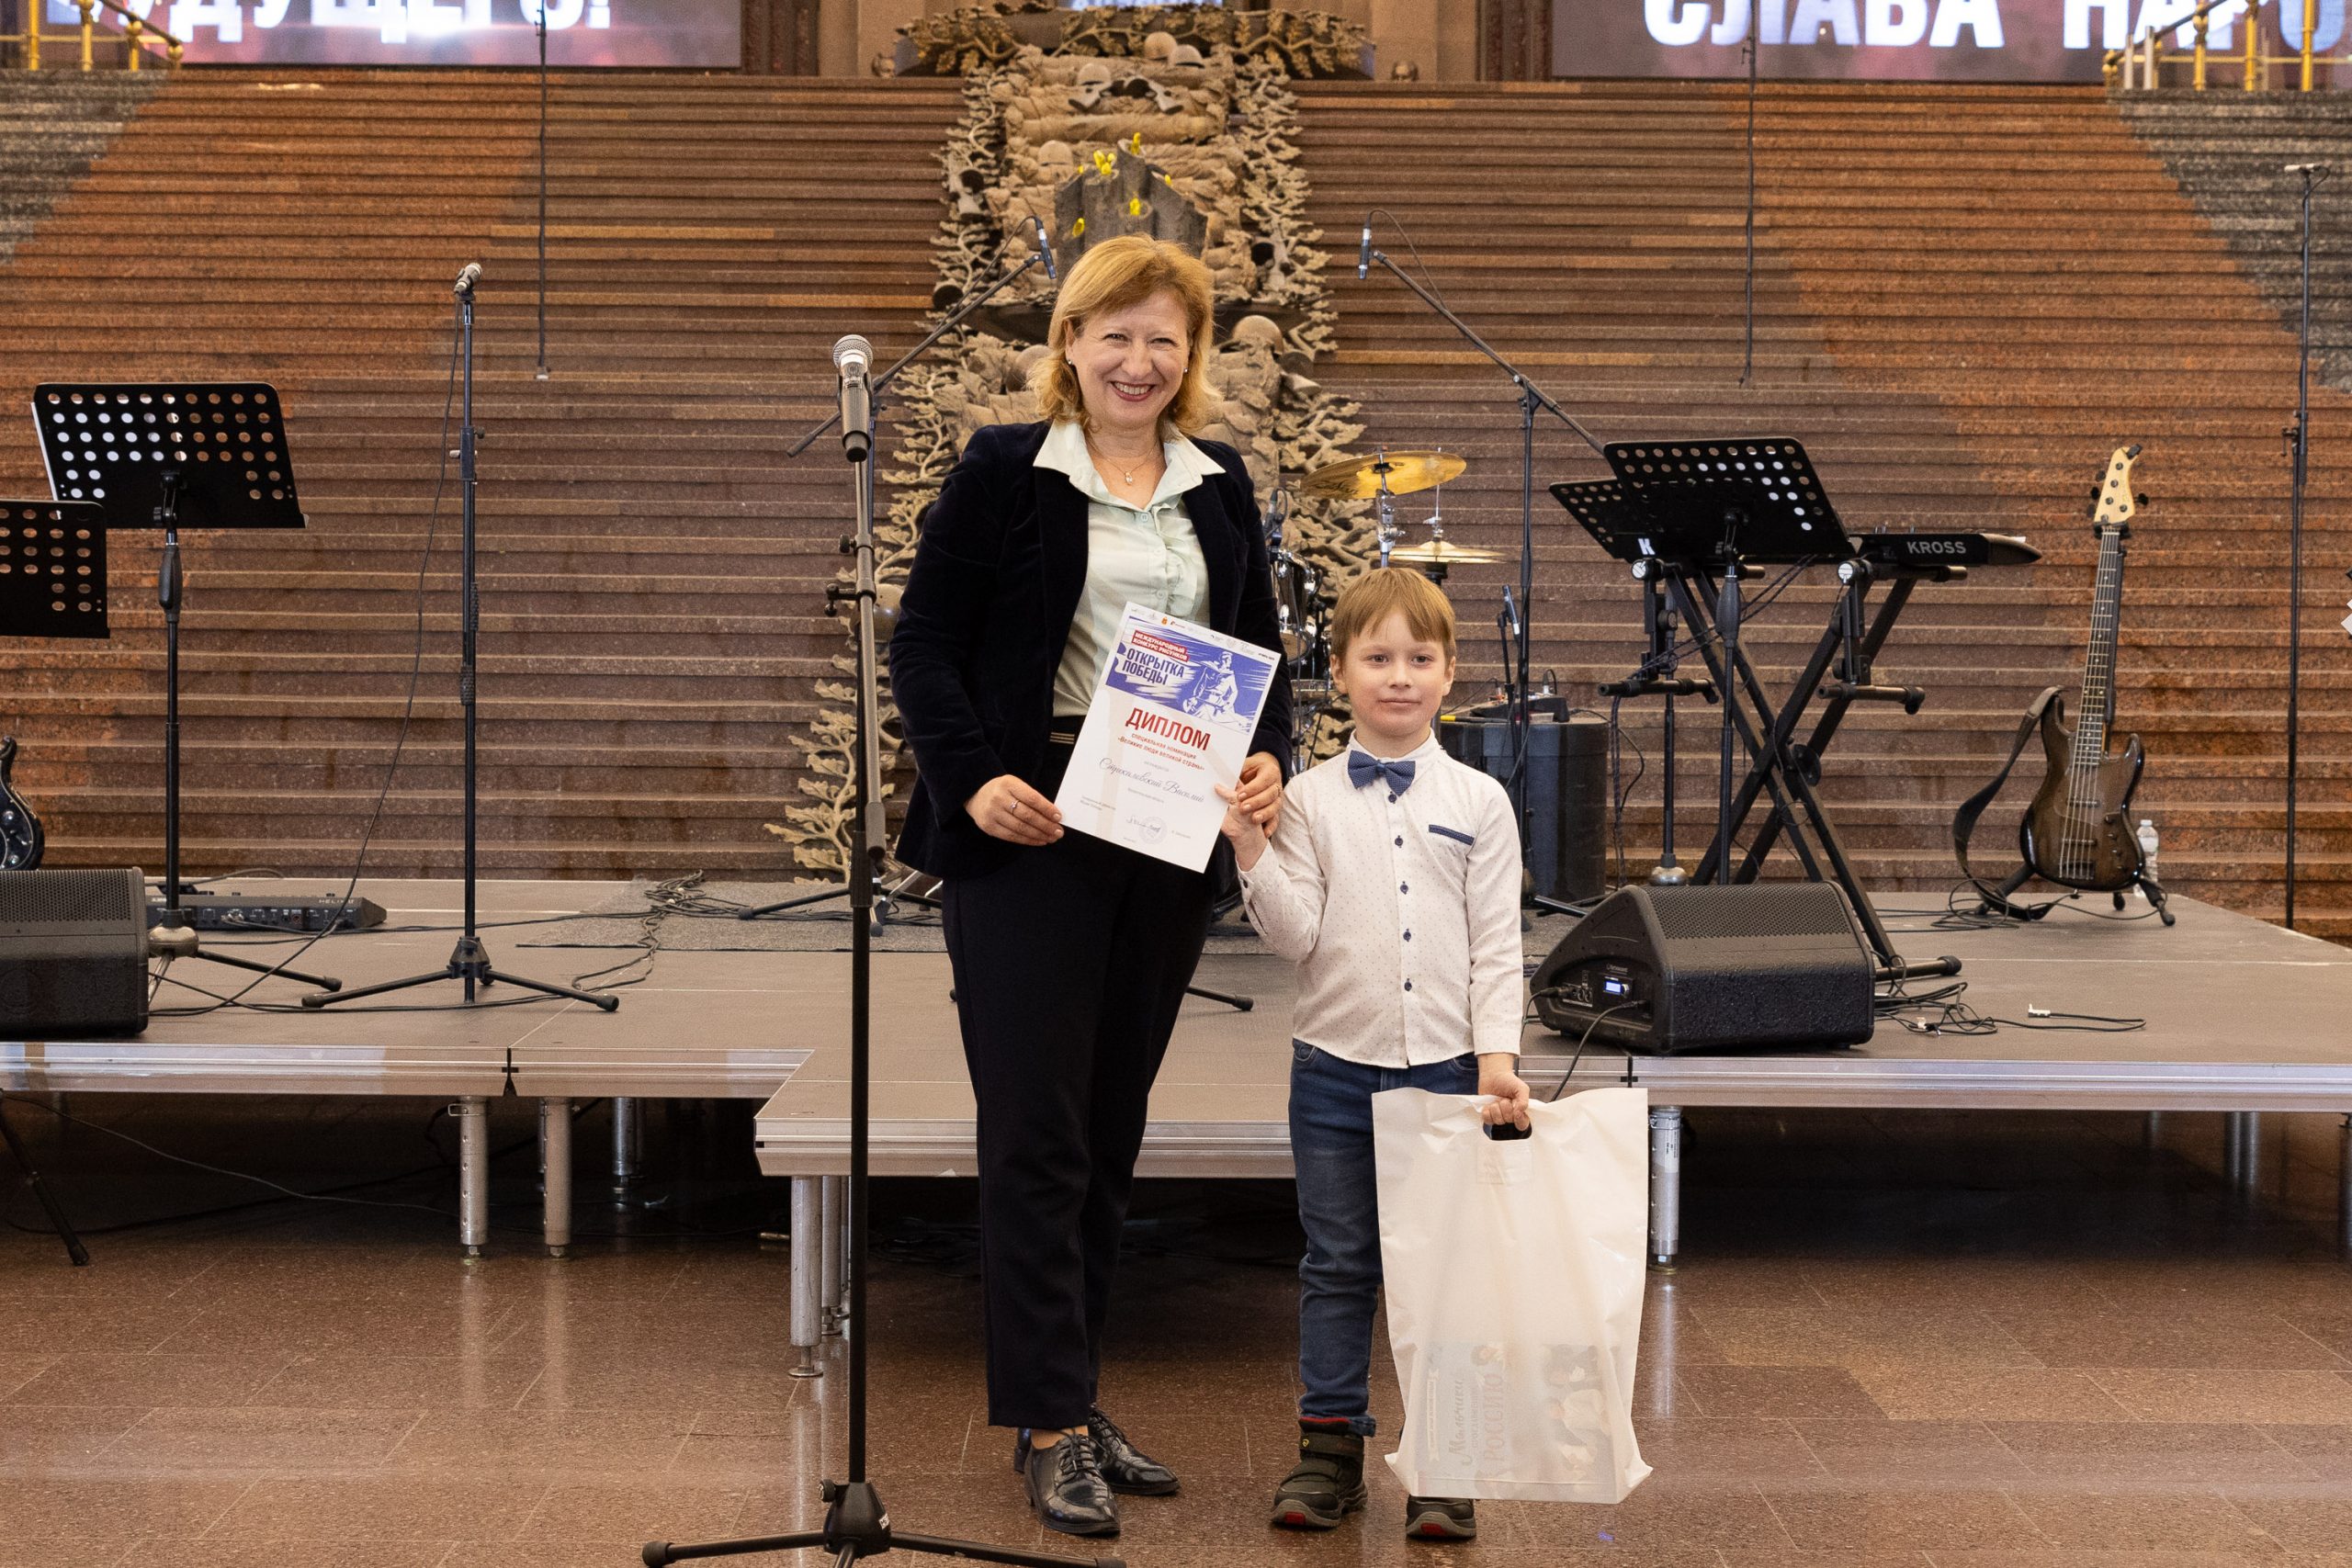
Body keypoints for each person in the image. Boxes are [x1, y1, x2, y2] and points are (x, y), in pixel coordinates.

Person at [889, 234, 1294, 1539]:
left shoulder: (1218, 484)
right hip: (1036, 820)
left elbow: (1260, 650)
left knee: (1111, 1124)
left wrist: (1270, 757)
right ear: (1068, 342)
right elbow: (923, 644)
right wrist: (971, 782)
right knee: (1037, 1131)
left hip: (1165, 825)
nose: (1138, 359)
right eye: (1114, 333)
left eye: (1164, 338)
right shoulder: (1007, 469)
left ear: (1193, 355)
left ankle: (1075, 1388)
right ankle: (1047, 1421)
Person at [1216, 567, 1531, 1542]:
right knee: (1339, 1262)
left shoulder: (1481, 799)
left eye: (1419, 658)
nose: (1400, 676)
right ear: (1341, 672)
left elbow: (1498, 944)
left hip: (1448, 1070)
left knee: (1447, 1270)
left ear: (1451, 672)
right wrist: (1249, 849)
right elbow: (1297, 937)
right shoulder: (1307, 800)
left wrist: (1497, 1058)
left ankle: (1444, 1458)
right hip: (1333, 1070)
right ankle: (1330, 1450)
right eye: (1378, 657)